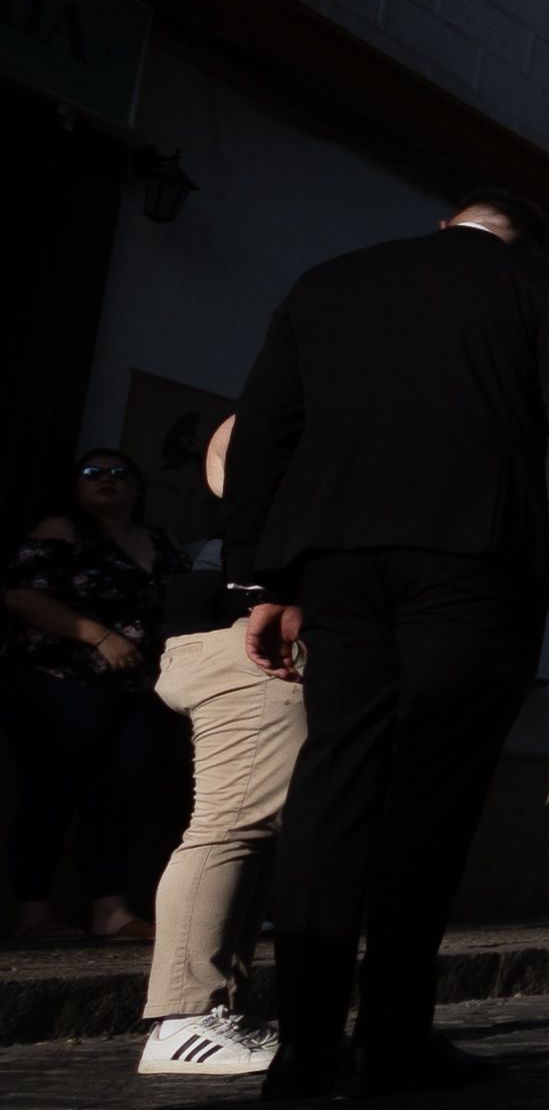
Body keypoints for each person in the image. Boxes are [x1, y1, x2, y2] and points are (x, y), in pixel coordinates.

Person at [225, 188, 549, 1101]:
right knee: (432, 791)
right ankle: (394, 1035)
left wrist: (260, 581)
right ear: (518, 239)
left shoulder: (329, 282)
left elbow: (263, 432)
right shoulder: (541, 284)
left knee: (333, 780)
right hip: (471, 558)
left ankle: (305, 1047)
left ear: (447, 224)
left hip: (334, 561)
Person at [139, 417, 298, 1074]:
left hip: (238, 638)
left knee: (253, 830)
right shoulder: (275, 406)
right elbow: (236, 461)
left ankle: (208, 1011)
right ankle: (181, 1019)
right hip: (241, 640)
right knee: (230, 825)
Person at [2, 449, 185, 946]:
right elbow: (21, 594)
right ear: (75, 485)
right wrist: (100, 637)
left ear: (139, 488)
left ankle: (110, 910)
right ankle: (33, 912)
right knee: (50, 791)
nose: (108, 480)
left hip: (139, 690)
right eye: (93, 472)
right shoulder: (61, 529)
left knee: (119, 795)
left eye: (121, 473)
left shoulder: (158, 542)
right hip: (62, 680)